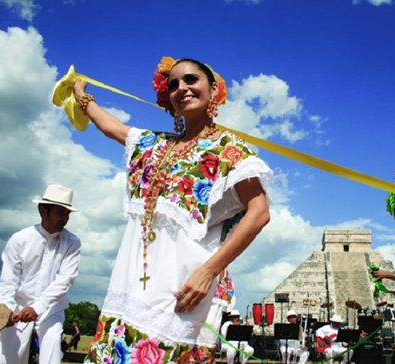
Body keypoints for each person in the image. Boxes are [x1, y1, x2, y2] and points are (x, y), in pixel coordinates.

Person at [72, 57, 272, 364]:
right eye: (174, 84)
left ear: (213, 89)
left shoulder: (229, 150)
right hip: (131, 277)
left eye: (191, 79)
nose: (182, 88)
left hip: (182, 284)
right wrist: (81, 94)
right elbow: (111, 127)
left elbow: (258, 212)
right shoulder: (154, 145)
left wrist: (209, 272)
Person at [0, 184, 81, 364]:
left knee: (52, 350)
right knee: (9, 356)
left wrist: (38, 307)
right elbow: (8, 281)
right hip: (17, 306)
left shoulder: (72, 242)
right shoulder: (20, 239)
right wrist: (6, 310)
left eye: (67, 214)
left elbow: (65, 280)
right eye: (60, 212)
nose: (64, 219)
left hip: (51, 307)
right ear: (43, 211)